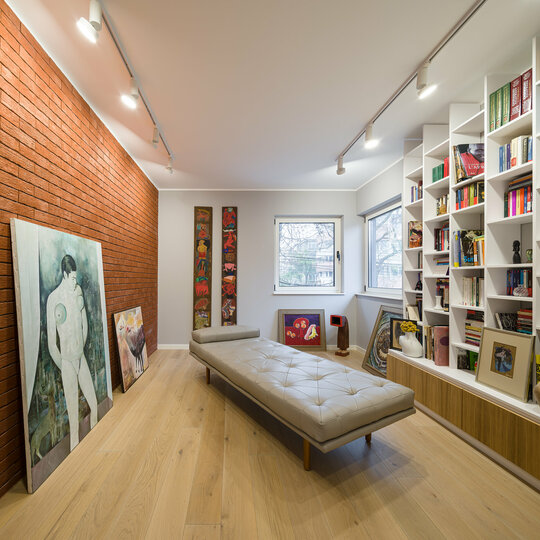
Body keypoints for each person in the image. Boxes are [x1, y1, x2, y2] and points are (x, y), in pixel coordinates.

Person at [46, 254, 97, 451]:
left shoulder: (78, 291)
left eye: (76, 278)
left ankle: (96, 442)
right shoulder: (53, 299)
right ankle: (77, 458)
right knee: (74, 422)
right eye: (73, 278)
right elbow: (52, 344)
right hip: (67, 362)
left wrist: (80, 349)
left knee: (94, 406)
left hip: (80, 357)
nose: (75, 281)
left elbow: (84, 324)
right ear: (65, 275)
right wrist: (65, 365)